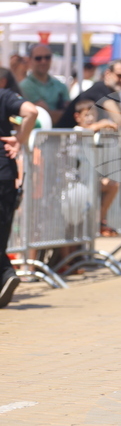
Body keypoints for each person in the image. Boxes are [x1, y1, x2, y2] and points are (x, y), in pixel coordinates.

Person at [0, 86, 37, 308]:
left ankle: (6, 273)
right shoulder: (4, 95)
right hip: (5, 173)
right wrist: (20, 138)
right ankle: (5, 274)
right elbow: (31, 111)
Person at [71, 99, 121, 236]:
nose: (91, 118)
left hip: (91, 183)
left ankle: (98, 221)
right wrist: (103, 124)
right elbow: (87, 130)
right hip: (77, 186)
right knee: (76, 225)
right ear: (77, 117)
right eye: (87, 115)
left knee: (112, 185)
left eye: (93, 115)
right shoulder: (77, 131)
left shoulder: (95, 133)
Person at [55, 59, 121, 132]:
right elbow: (119, 119)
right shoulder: (101, 88)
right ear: (108, 73)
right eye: (120, 75)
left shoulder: (113, 93)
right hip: (63, 140)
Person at [20, 44, 70, 126]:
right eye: (38, 58)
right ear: (30, 60)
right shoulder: (25, 86)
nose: (43, 61)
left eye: (47, 57)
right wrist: (63, 113)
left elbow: (69, 113)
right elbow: (46, 116)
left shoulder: (61, 85)